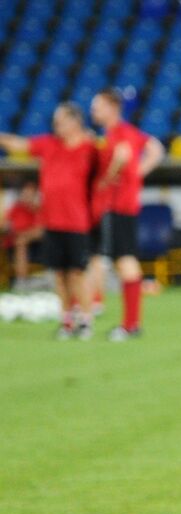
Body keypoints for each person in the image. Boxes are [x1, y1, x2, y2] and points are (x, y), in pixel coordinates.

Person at [0, 103, 97, 338]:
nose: (56, 126)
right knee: (59, 274)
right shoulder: (49, 145)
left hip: (77, 221)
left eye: (61, 121)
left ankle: (85, 319)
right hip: (52, 222)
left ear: (75, 121)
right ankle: (66, 321)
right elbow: (21, 145)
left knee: (77, 273)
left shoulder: (89, 147)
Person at [87, 88, 164, 340]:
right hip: (124, 205)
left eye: (97, 106)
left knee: (122, 261)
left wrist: (109, 177)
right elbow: (156, 148)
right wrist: (138, 174)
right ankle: (130, 322)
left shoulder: (118, 133)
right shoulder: (127, 132)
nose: (93, 111)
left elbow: (122, 156)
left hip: (117, 206)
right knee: (119, 260)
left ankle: (128, 323)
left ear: (112, 106)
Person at [3, 179, 43, 286]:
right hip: (13, 242)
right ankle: (21, 280)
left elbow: (41, 230)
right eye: (26, 193)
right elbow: (6, 225)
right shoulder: (16, 208)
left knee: (22, 241)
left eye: (31, 193)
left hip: (37, 244)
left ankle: (22, 281)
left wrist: (25, 235)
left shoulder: (38, 210)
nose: (28, 196)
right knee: (19, 241)